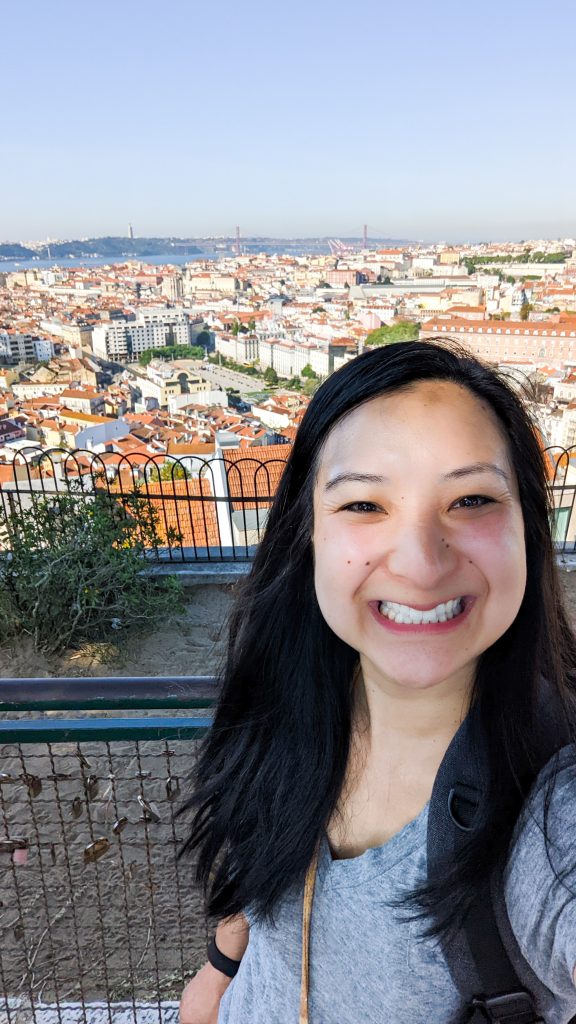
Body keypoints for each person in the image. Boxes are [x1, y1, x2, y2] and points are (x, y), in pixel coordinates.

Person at [179, 340, 576, 1024]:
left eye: (471, 499)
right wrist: (219, 973)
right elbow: (260, 857)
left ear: (527, 531)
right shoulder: (290, 696)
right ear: (308, 535)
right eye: (364, 505)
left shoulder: (550, 824)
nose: (421, 564)